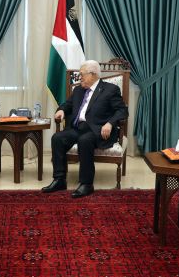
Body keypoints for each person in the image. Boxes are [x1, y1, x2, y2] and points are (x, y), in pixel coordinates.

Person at [42, 60, 128, 198]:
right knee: (57, 138)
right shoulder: (78, 90)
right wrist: (61, 110)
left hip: (97, 130)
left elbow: (122, 111)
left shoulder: (110, 89)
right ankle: (59, 179)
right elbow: (67, 104)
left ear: (93, 74)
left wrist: (110, 123)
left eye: (82, 74)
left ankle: (86, 184)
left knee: (84, 140)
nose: (79, 77)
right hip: (77, 128)